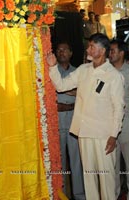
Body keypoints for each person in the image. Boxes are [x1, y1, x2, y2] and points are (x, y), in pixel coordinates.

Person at [47, 33, 125, 200]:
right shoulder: (83, 70)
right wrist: (53, 67)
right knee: (89, 180)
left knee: (107, 181)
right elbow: (61, 86)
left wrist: (113, 135)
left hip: (104, 135)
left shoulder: (114, 76)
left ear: (102, 51)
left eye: (92, 46)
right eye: (89, 46)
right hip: (83, 133)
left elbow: (119, 108)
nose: (88, 49)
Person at [109, 39, 129, 200]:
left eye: (113, 50)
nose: (110, 53)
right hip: (108, 123)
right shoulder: (105, 71)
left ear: (121, 53)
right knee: (112, 163)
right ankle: (113, 194)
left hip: (127, 121)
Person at [55, 42, 85, 200]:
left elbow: (83, 94)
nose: (61, 52)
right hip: (57, 123)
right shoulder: (51, 72)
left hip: (74, 121)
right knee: (59, 163)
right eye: (59, 50)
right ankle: (62, 194)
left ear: (71, 53)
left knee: (76, 161)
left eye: (65, 50)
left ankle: (79, 195)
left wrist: (67, 94)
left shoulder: (78, 72)